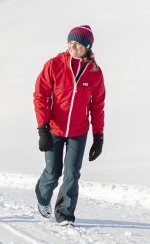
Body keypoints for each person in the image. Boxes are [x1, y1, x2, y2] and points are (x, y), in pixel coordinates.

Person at [32, 24, 106, 226]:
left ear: (87, 47)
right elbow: (40, 96)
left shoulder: (94, 73)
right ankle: (42, 195)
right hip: (54, 128)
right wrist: (43, 128)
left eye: (78, 44)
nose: (73, 47)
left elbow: (97, 106)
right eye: (70, 42)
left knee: (72, 174)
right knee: (53, 171)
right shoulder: (54, 64)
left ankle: (65, 214)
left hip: (78, 131)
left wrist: (98, 136)